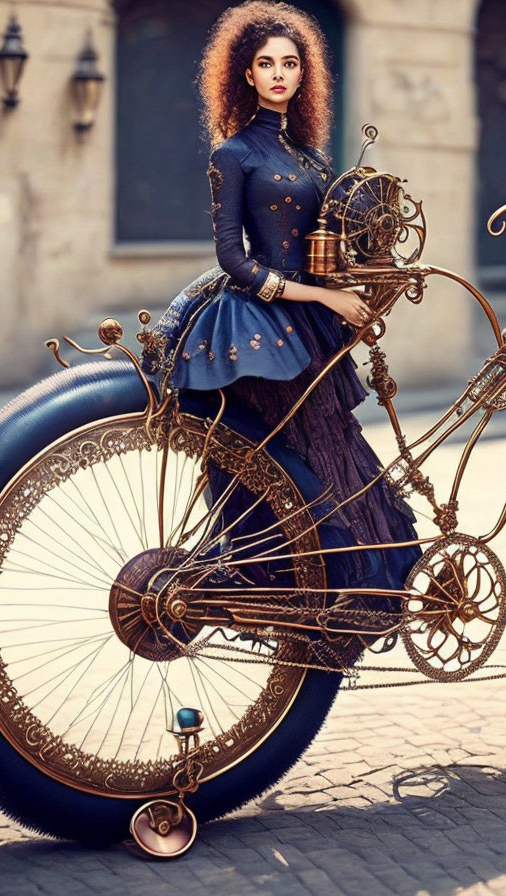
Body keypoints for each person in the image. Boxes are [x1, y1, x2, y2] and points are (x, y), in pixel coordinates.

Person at [142, 0, 419, 639]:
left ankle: (342, 597)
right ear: (245, 73)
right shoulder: (233, 154)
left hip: (311, 322)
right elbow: (232, 258)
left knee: (329, 451)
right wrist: (321, 299)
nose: (278, 74)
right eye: (265, 63)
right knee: (278, 455)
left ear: (303, 75)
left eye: (289, 64)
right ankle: (278, 589)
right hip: (259, 323)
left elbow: (330, 243)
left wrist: (364, 281)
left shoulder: (314, 158)